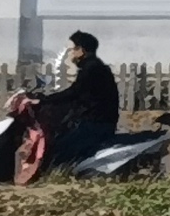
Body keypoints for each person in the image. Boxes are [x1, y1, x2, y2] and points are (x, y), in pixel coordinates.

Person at [9, 29, 122, 180]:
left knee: (60, 147)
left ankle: (59, 174)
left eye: (72, 49)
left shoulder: (92, 69)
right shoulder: (93, 67)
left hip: (95, 123)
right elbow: (77, 95)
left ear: (81, 50)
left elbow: (74, 93)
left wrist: (43, 101)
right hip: (95, 119)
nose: (70, 53)